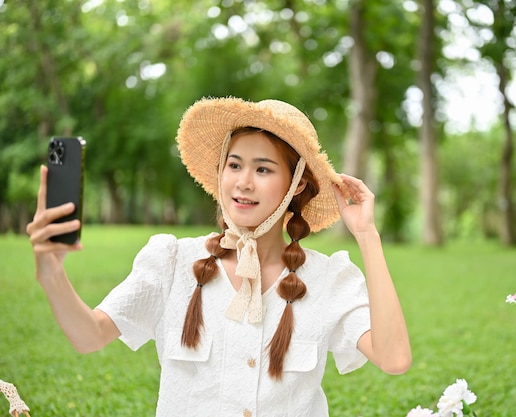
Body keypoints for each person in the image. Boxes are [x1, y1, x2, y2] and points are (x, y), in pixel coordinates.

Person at [26, 97, 412, 417]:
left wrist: (367, 235)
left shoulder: (329, 279)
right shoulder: (172, 261)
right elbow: (88, 335)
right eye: (234, 165)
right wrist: (50, 271)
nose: (243, 182)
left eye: (263, 168)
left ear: (295, 187)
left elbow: (393, 358)